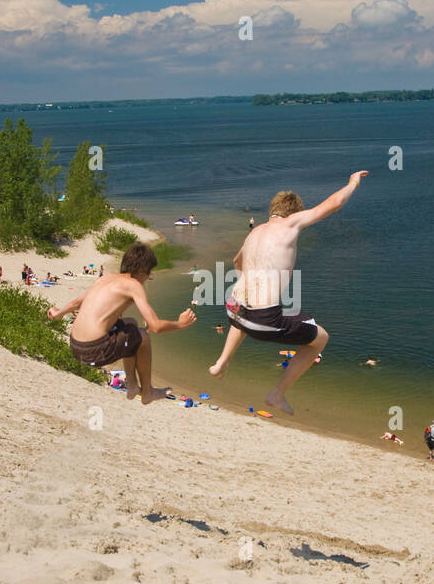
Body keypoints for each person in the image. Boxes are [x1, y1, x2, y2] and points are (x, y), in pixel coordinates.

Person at [208, 171, 367, 414]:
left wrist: (249, 282)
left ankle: (221, 362)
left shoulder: (254, 232)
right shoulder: (291, 223)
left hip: (233, 311)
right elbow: (334, 203)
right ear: (292, 213)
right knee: (321, 338)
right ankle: (277, 393)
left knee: (241, 311)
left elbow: (236, 261)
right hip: (263, 320)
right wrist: (353, 182)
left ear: (272, 210)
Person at [47, 242, 195, 404]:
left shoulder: (106, 278)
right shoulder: (133, 285)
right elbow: (156, 327)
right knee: (143, 336)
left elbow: (77, 302)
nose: (148, 278)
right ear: (142, 271)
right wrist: (180, 324)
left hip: (75, 345)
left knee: (129, 324)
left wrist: (58, 313)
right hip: (93, 350)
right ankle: (148, 392)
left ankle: (132, 385)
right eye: (149, 273)